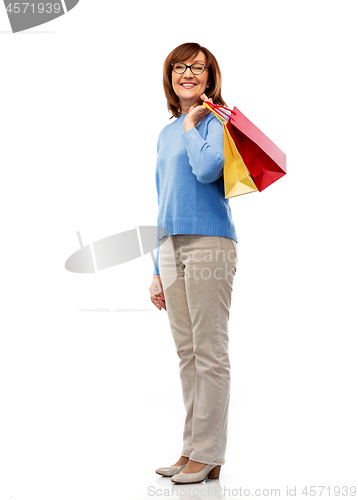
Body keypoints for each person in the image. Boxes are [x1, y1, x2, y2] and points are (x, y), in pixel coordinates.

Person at [149, 42, 238, 484]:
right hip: (171, 244)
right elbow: (162, 199)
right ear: (170, 75)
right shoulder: (165, 133)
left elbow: (207, 171)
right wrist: (154, 269)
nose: (188, 73)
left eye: (197, 68)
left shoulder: (218, 121)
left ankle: (209, 451)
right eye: (180, 67)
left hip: (209, 241)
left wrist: (191, 123)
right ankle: (192, 450)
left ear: (209, 76)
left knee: (210, 352)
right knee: (188, 354)